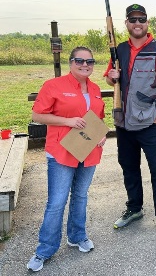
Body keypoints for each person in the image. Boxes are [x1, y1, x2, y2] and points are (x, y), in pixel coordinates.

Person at [104, 4, 156, 241]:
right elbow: (110, 80)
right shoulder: (118, 50)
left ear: (148, 23)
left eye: (142, 19)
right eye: (133, 19)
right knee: (129, 167)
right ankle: (134, 208)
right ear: (126, 23)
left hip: (150, 123)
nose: (137, 23)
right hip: (124, 123)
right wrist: (110, 77)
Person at [27, 47, 106, 272]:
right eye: (79, 60)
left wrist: (100, 134)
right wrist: (67, 121)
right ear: (71, 62)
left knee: (80, 195)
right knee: (57, 202)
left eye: (89, 61)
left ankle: (77, 236)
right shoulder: (54, 86)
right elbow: (37, 115)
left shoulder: (95, 88)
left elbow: (97, 117)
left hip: (88, 150)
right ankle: (45, 249)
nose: (85, 65)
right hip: (62, 151)